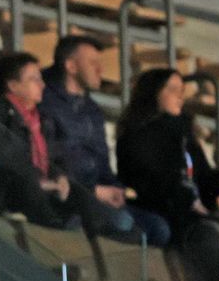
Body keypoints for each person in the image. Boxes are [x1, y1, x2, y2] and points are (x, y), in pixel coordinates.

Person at [0, 51, 122, 234]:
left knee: (81, 196)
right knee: (36, 192)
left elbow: (52, 158)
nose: (42, 84)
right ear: (13, 85)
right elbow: (3, 156)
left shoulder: (40, 119)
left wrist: (59, 177)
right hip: (3, 187)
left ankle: (100, 237)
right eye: (34, 79)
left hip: (37, 186)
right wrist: (40, 180)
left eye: (41, 79)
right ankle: (56, 233)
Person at [40, 35, 170, 246]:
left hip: (98, 194)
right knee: (125, 224)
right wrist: (94, 190)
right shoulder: (45, 102)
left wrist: (115, 189)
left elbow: (102, 160)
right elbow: (52, 159)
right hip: (69, 195)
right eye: (92, 63)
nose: (100, 69)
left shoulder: (92, 110)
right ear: (71, 66)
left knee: (158, 228)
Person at [115, 68, 212, 243]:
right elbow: (151, 182)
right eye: (173, 89)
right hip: (160, 211)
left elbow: (205, 176)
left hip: (191, 212)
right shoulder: (138, 135)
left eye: (182, 91)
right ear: (153, 93)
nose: (180, 96)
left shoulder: (185, 133)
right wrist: (188, 201)